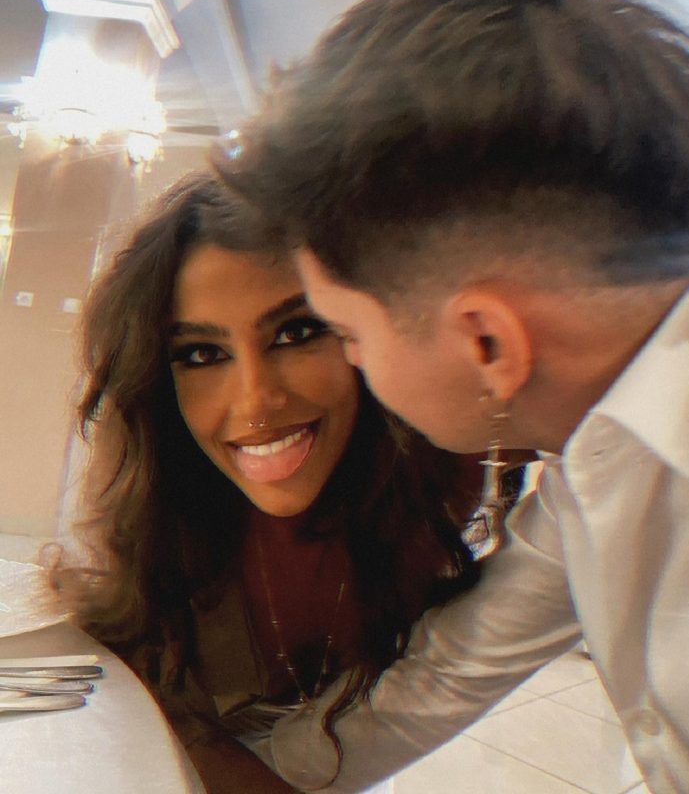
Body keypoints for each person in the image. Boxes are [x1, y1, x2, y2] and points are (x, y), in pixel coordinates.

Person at [217, 0, 689, 793]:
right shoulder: (601, 451)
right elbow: (443, 675)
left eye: (347, 332)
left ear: (488, 344)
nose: (351, 366)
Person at [50, 171, 486, 794]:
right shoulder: (152, 509)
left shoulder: (438, 468)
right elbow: (151, 722)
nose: (255, 402)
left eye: (297, 332)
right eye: (202, 354)